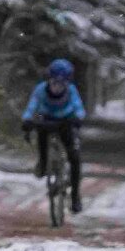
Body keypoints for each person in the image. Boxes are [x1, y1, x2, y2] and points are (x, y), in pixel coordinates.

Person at [22, 57, 87, 213]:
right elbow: (32, 106)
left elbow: (78, 107)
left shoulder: (71, 91)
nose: (57, 87)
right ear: (49, 80)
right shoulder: (40, 90)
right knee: (42, 135)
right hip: (46, 119)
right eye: (54, 83)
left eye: (61, 83)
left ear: (67, 83)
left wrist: (78, 117)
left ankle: (75, 196)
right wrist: (27, 120)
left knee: (74, 157)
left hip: (66, 121)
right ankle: (43, 163)